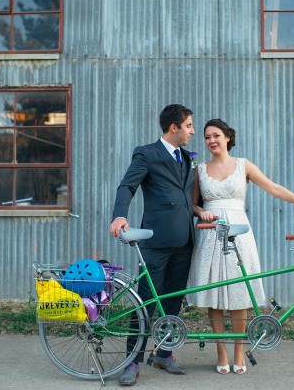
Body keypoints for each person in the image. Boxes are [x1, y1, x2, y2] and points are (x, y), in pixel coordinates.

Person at [187, 119, 294, 375]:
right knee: (215, 293)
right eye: (207, 137)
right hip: (210, 233)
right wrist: (201, 213)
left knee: (239, 292)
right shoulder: (199, 169)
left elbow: (274, 188)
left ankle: (239, 350)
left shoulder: (243, 165)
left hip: (239, 231)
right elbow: (192, 203)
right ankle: (220, 351)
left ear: (228, 138)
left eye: (216, 135)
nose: (212, 141)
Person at [110, 104, 196, 386]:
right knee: (145, 305)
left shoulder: (187, 157)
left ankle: (164, 353)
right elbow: (127, 186)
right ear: (174, 127)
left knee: (173, 303)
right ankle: (132, 362)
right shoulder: (147, 153)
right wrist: (120, 215)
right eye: (189, 126)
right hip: (155, 243)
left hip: (185, 242)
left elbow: (188, 197)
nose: (192, 131)